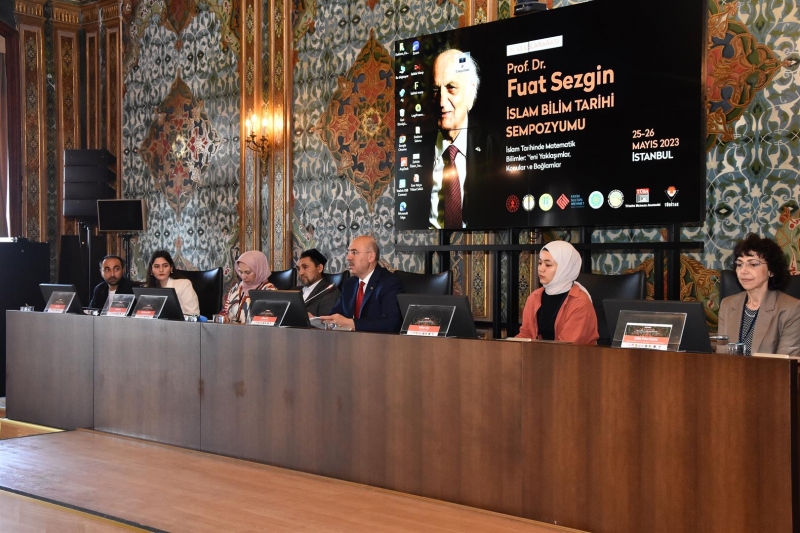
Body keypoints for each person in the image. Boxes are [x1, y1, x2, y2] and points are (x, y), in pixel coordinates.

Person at [427, 48, 499, 229]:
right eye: (436, 90)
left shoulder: (494, 145)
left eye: (451, 88)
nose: (441, 101)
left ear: (470, 91)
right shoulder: (416, 147)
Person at [717, 234, 800, 356]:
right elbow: (721, 356)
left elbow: (785, 363)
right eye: (739, 264)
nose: (743, 271)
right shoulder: (727, 305)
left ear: (771, 270)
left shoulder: (791, 309)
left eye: (753, 264)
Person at [516, 241, 598, 344]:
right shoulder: (535, 296)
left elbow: (567, 346)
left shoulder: (580, 302)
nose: (541, 269)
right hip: (542, 352)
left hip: (570, 354)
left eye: (548, 264)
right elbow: (526, 334)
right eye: (540, 263)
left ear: (565, 268)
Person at [320, 235, 404, 332]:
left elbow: (391, 322)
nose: (348, 257)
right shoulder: (349, 284)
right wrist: (318, 320)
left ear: (370, 257)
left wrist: (352, 324)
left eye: (354, 252)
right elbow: (335, 315)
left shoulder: (389, 282)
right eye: (348, 252)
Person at [221, 250, 276, 323]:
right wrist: (224, 319)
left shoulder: (269, 291)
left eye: (247, 272)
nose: (243, 277)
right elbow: (225, 314)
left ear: (259, 270)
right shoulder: (236, 288)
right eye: (240, 272)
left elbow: (270, 322)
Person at [146, 250, 200, 316]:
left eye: (165, 266)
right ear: (151, 270)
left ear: (171, 268)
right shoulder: (147, 288)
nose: (161, 270)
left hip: (180, 322)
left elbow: (193, 314)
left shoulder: (184, 284)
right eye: (157, 266)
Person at [296, 248, 341, 317]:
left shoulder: (330, 292)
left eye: (305, 267)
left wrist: (312, 319)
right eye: (299, 269)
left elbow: (326, 322)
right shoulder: (294, 290)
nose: (300, 273)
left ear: (319, 268)